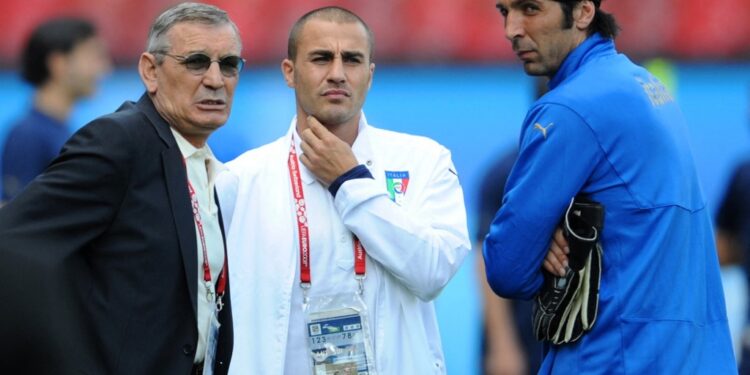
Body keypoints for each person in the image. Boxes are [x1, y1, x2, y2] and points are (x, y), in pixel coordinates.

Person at [482, 0, 735, 373]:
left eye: (531, 9)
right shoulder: (647, 85)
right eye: (505, 12)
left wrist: (543, 238)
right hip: (691, 357)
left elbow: (507, 266)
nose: (512, 29)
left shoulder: (569, 107)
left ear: (584, 11)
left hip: (615, 358)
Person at [217, 6, 470, 374]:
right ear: (289, 72)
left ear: (369, 75)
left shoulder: (423, 160)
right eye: (321, 58)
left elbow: (431, 272)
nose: (337, 73)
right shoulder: (240, 180)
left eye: (351, 60)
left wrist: (350, 181)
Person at [0, 3, 242, 374]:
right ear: (150, 71)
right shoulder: (121, 141)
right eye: (196, 61)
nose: (215, 79)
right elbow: (13, 245)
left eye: (228, 64)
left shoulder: (202, 162)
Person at [1, 17, 110, 203]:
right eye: (93, 57)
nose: (104, 69)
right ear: (59, 63)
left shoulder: (61, 131)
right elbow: (12, 215)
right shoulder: (28, 135)